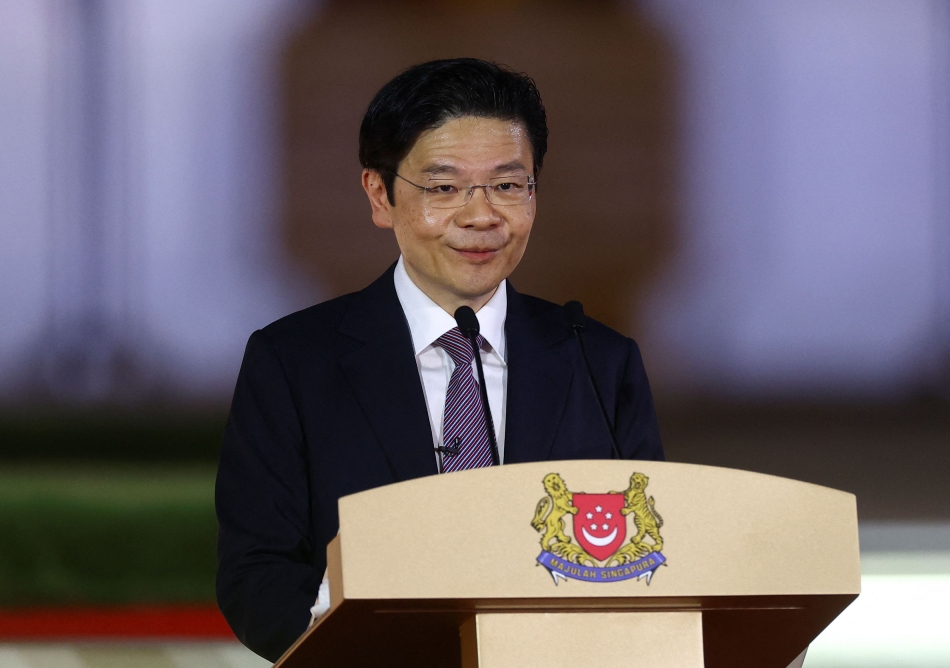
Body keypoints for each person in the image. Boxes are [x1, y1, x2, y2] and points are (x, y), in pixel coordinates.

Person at [215, 58, 664, 661]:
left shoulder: (598, 359)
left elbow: (654, 556)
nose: (481, 216)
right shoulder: (294, 363)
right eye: (444, 188)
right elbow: (257, 579)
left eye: (508, 185)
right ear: (380, 194)